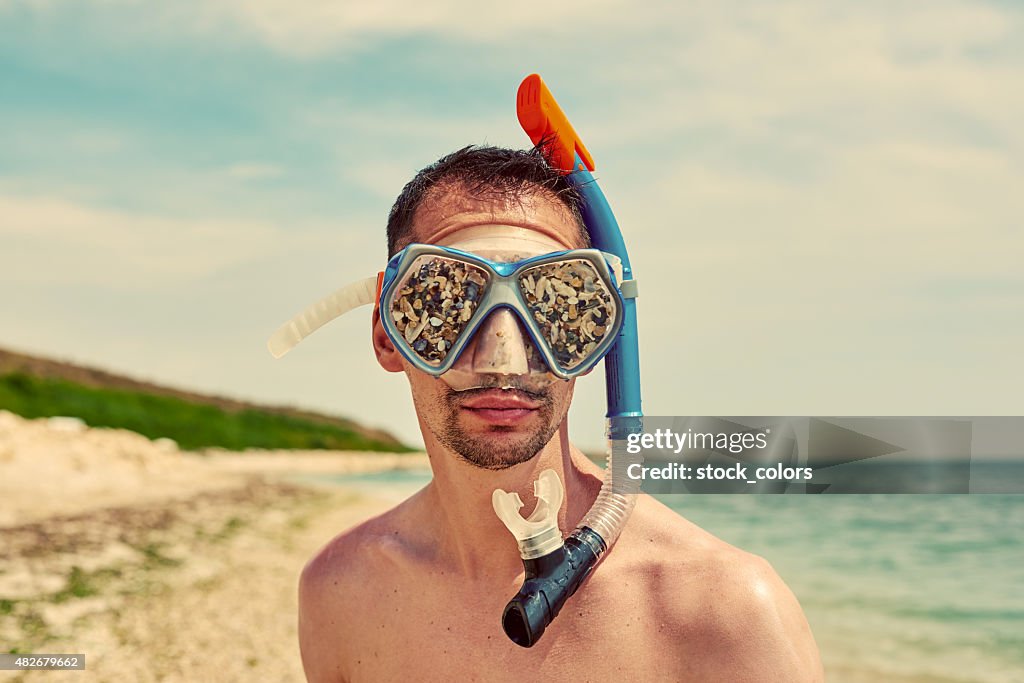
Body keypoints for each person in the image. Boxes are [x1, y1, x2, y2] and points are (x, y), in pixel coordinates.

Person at [295, 145, 824, 682]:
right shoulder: (341, 592)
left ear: (597, 337)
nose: (504, 360)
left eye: (557, 307)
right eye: (447, 302)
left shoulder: (726, 614)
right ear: (389, 334)